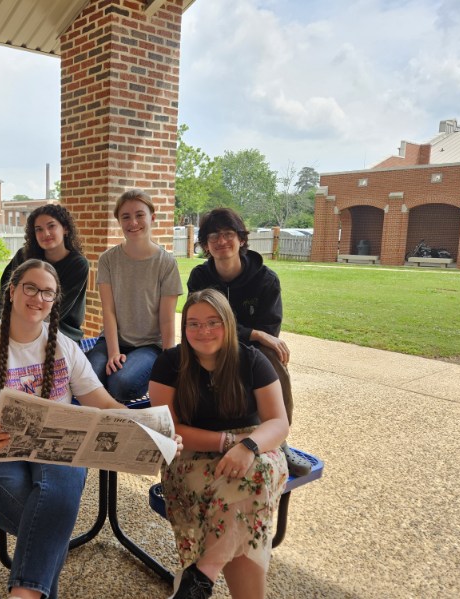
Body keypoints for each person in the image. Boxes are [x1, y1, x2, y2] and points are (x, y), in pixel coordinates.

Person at [0, 259, 153, 599]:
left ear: (55, 302)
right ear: (11, 291)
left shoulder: (64, 346)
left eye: (48, 293)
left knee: (54, 500)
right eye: (30, 288)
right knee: (48, 524)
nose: (38, 298)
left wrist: (149, 426)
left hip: (54, 452)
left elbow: (100, 400)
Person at [149, 289, 289, 599]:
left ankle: (200, 578)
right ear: (184, 328)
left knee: (253, 475)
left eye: (213, 322)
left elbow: (278, 423)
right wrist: (228, 441)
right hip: (191, 452)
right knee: (245, 499)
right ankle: (207, 583)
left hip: (255, 447)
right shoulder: (170, 364)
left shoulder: (251, 361)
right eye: (194, 324)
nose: (204, 331)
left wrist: (247, 447)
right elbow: (168, 428)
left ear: (227, 323)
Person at [186, 207, 310, 476]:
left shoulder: (265, 280)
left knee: (272, 356)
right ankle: (190, 434)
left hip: (250, 351)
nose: (221, 241)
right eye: (213, 236)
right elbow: (198, 320)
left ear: (241, 239)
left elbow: (269, 332)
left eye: (228, 234)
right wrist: (251, 332)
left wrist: (251, 338)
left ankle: (279, 437)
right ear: (206, 244)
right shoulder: (200, 277)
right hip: (210, 343)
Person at [86, 189, 182, 403]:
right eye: (126, 217)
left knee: (121, 383)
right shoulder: (108, 260)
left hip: (149, 345)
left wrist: (170, 365)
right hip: (113, 339)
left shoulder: (166, 263)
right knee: (86, 377)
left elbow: (167, 320)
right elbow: (108, 311)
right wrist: (113, 352)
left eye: (140, 215)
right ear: (119, 221)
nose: (133, 222)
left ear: (152, 218)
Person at [0, 204, 89, 342]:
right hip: (20, 323)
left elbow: (53, 311)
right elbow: (6, 293)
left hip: (61, 332)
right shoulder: (23, 256)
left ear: (65, 228)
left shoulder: (77, 265)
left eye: (51, 226)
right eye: (38, 229)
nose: (45, 233)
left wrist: (7, 324)